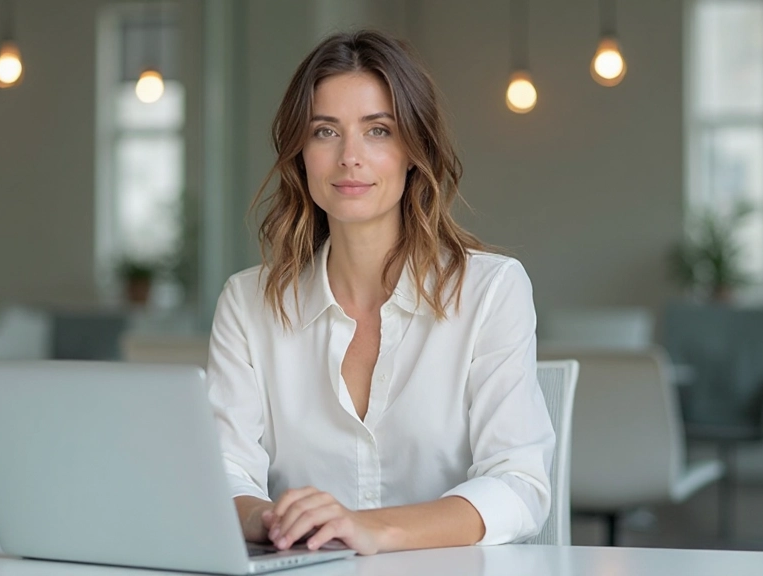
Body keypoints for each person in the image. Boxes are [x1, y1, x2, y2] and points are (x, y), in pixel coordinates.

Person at [205, 30, 554, 556]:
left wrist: (371, 529)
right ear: (301, 152)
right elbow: (223, 473)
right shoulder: (246, 302)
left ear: (415, 150)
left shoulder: (491, 291)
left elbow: (519, 487)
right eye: (326, 131)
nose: (350, 157)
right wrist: (273, 517)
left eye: (378, 131)